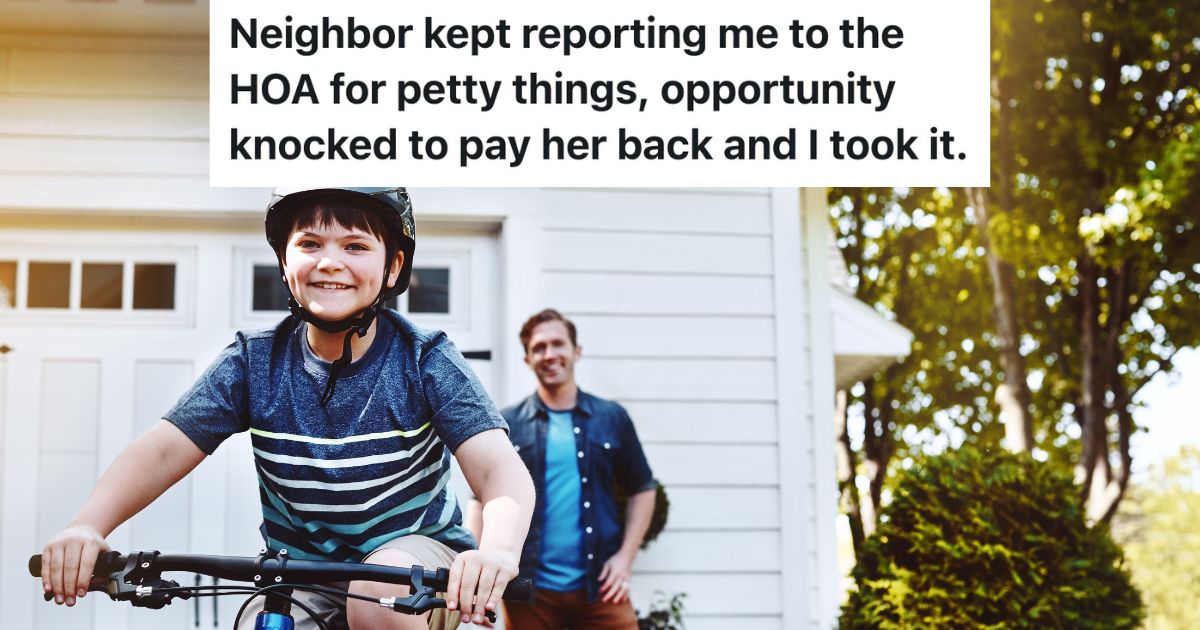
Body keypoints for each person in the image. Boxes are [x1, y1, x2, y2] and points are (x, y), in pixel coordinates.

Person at [38, 187, 535, 630]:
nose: (330, 261)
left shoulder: (424, 358)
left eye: (356, 246)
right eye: (310, 244)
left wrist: (497, 552)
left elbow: (498, 471)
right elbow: (164, 450)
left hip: (416, 566)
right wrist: (88, 525)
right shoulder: (254, 362)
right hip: (300, 571)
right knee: (266, 624)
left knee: (377, 596)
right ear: (283, 261)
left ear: (393, 267)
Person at [468, 309, 657, 630]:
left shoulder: (611, 418)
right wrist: (482, 572)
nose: (550, 354)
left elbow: (643, 488)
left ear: (576, 351)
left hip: (601, 587)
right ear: (527, 359)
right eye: (539, 348)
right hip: (529, 590)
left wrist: (625, 558)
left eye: (558, 344)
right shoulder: (509, 424)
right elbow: (481, 497)